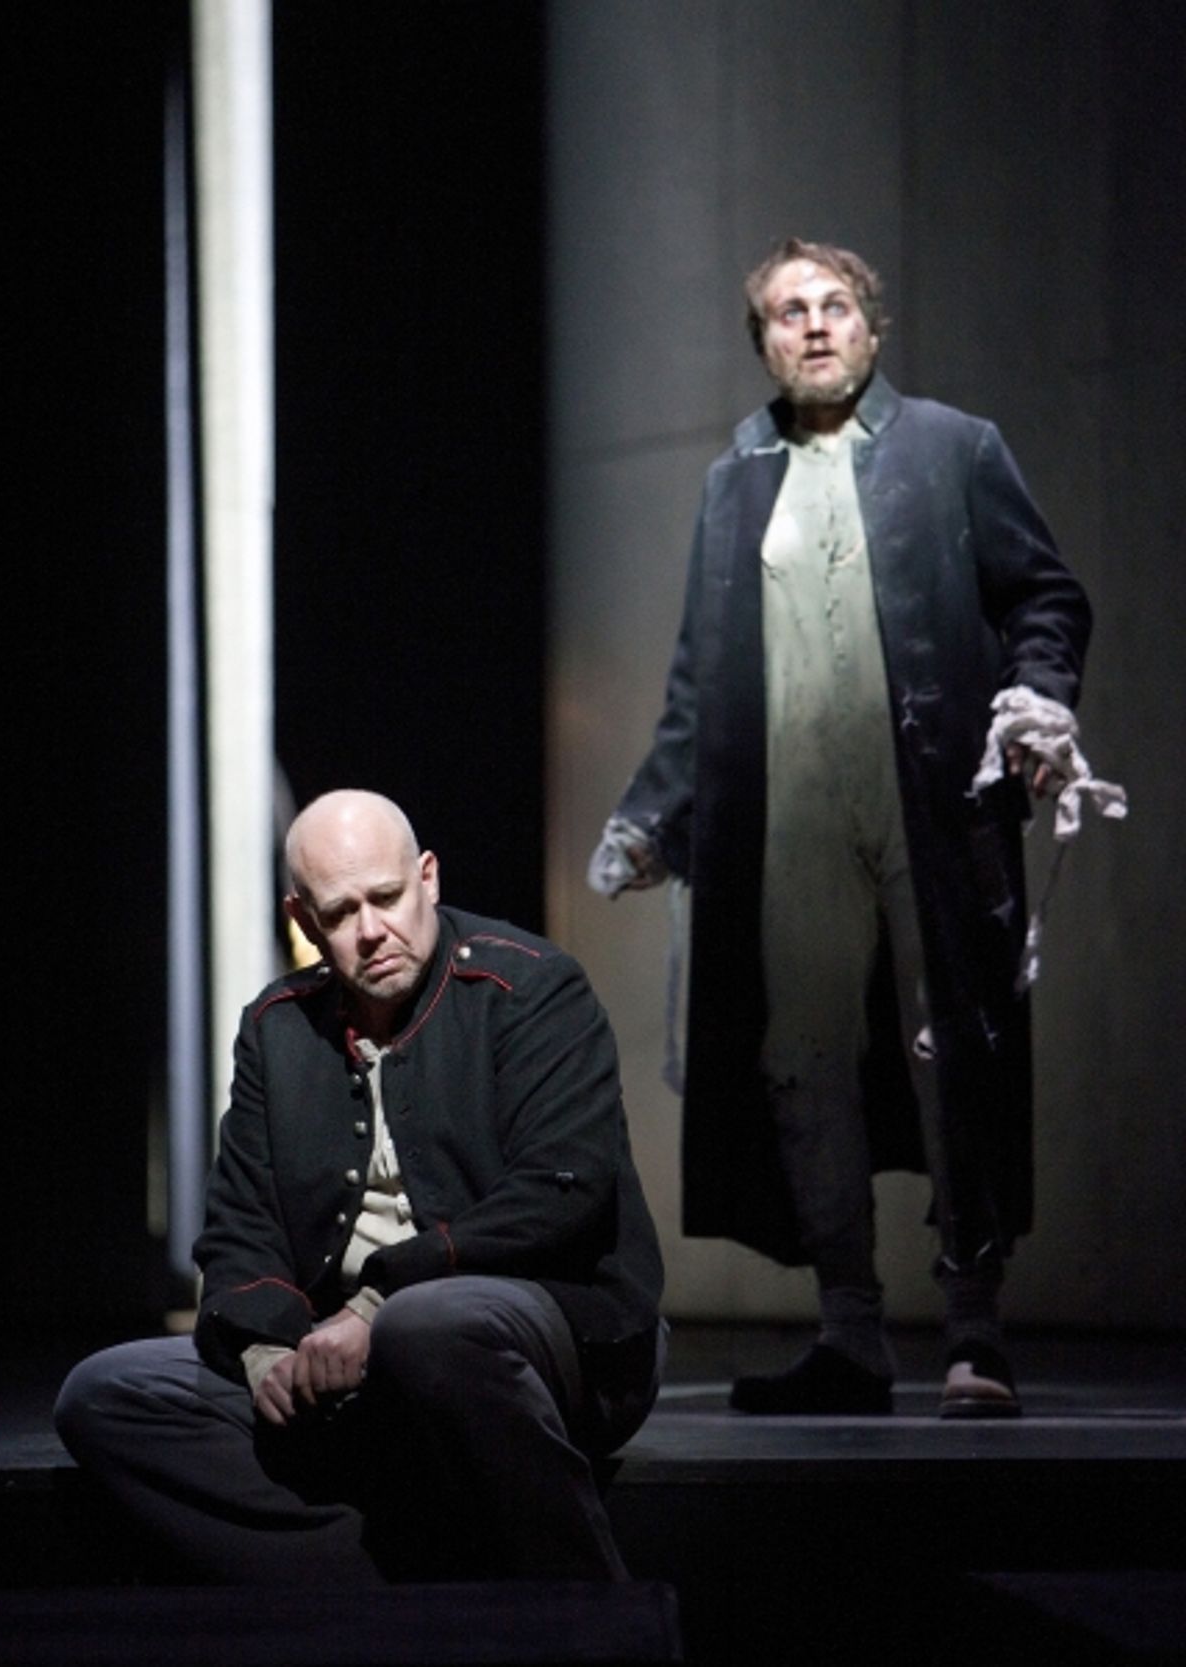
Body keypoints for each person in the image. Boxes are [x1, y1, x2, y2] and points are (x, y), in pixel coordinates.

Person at [589, 236, 1095, 1420]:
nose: (812, 326)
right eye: (785, 313)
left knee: (951, 1047)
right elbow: (699, 677)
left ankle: (976, 1332)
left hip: (933, 801)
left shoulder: (954, 448)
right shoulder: (735, 479)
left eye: (832, 306)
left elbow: (1045, 593)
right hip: (789, 819)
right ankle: (851, 1333)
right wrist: (658, 806)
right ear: (763, 342)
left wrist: (1038, 694)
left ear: (871, 325)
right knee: (801, 1061)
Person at [58, 789, 665, 1583]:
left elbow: (561, 1193)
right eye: (340, 913)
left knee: (428, 1326)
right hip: (344, 1362)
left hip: (546, 1340)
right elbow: (239, 1227)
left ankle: (588, 1616)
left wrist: (376, 1308)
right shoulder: (276, 1030)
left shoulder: (533, 990)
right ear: (305, 921)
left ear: (429, 878)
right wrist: (268, 1351)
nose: (371, 931)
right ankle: (364, 1597)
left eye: (386, 897)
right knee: (105, 1393)